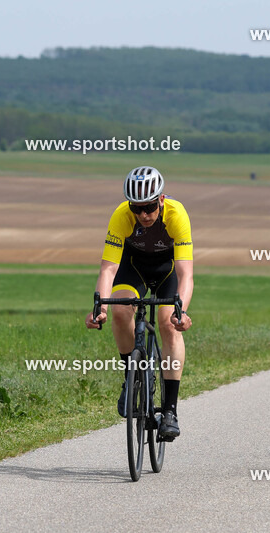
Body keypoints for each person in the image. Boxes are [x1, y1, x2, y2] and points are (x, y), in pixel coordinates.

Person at [85, 166, 193, 440]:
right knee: (121, 311)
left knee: (169, 324)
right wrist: (101, 310)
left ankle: (170, 411)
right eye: (137, 209)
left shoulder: (176, 214)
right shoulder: (122, 216)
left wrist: (183, 311)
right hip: (133, 269)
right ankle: (131, 379)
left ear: (161, 199)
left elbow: (185, 273)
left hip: (166, 271)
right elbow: (108, 269)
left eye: (148, 208)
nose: (143, 215)